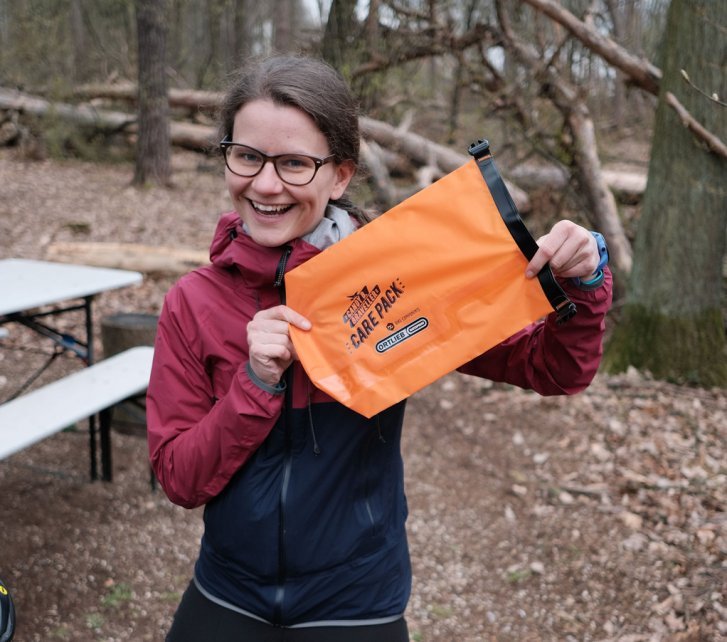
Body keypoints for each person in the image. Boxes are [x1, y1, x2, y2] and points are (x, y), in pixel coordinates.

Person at [146, 54, 612, 642]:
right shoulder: (194, 302)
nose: (265, 184)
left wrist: (585, 279)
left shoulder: (396, 283)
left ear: (340, 175)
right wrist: (256, 383)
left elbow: (554, 369)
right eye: (247, 156)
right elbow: (179, 480)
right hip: (227, 592)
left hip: (355, 602)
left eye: (294, 163)